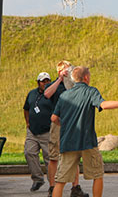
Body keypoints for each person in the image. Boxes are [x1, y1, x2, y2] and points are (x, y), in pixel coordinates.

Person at [50, 66, 118, 197]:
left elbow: (54, 118)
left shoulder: (64, 95)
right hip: (87, 142)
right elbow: (103, 105)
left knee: (60, 181)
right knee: (98, 175)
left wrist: (65, 124)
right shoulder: (91, 92)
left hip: (68, 142)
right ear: (86, 77)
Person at [44, 61, 88, 197]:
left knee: (73, 155)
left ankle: (76, 187)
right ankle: (52, 187)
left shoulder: (73, 85)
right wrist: (60, 79)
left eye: (69, 69)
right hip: (57, 123)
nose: (68, 72)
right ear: (59, 71)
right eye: (65, 70)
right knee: (54, 156)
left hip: (72, 122)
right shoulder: (54, 85)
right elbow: (47, 94)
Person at [23, 72, 53, 192]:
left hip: (47, 131)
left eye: (47, 81)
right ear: (38, 82)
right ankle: (38, 179)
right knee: (29, 152)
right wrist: (27, 122)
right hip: (32, 131)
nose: (45, 83)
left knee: (49, 159)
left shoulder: (53, 95)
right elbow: (26, 109)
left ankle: (53, 184)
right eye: (43, 81)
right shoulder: (31, 94)